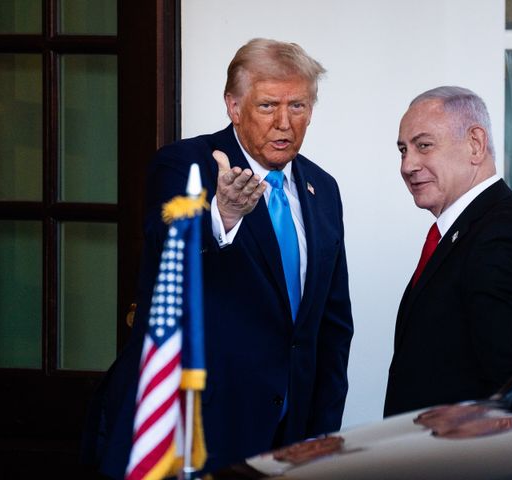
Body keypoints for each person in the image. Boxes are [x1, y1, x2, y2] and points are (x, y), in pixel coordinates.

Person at [82, 38, 354, 477]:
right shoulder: (185, 166)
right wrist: (222, 215)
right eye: (268, 106)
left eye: (298, 106)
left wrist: (323, 428)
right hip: (198, 429)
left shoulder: (323, 188)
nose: (285, 122)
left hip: (293, 432)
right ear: (233, 105)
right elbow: (166, 244)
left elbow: (332, 323)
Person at [384, 86, 512, 417]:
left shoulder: (503, 238)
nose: (407, 165)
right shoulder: (476, 228)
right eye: (402, 150)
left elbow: (507, 390)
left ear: (476, 144)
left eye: (424, 146)